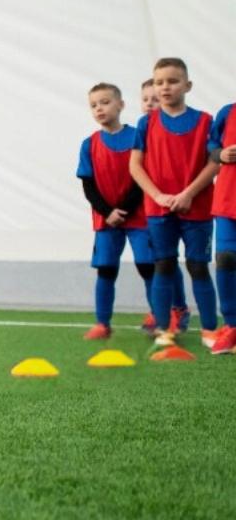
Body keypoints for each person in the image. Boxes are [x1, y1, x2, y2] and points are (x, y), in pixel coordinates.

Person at [130, 59, 219, 348]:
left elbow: (214, 163)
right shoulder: (147, 123)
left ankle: (209, 330)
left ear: (187, 85)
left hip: (198, 207)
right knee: (164, 266)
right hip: (159, 210)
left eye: (172, 81)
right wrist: (157, 195)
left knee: (198, 267)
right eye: (159, 82)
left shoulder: (206, 121)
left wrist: (189, 193)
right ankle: (164, 328)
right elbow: (135, 166)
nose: (165, 87)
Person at [77, 84, 154, 340]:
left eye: (105, 102)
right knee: (107, 270)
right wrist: (108, 212)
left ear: (120, 105)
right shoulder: (89, 144)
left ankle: (159, 319)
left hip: (139, 216)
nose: (99, 108)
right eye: (94, 105)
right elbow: (88, 185)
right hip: (106, 220)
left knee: (147, 266)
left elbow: (142, 177)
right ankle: (102, 323)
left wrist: (125, 209)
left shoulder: (137, 137)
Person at [139, 78, 190, 332]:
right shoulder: (142, 130)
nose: (150, 104)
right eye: (145, 100)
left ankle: (178, 309)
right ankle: (157, 310)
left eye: (155, 99)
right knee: (151, 263)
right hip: (143, 208)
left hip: (164, 206)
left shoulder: (172, 131)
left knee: (166, 260)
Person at [207, 103, 236, 353]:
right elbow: (212, 147)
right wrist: (222, 155)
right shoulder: (227, 113)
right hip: (228, 201)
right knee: (225, 259)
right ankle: (230, 325)